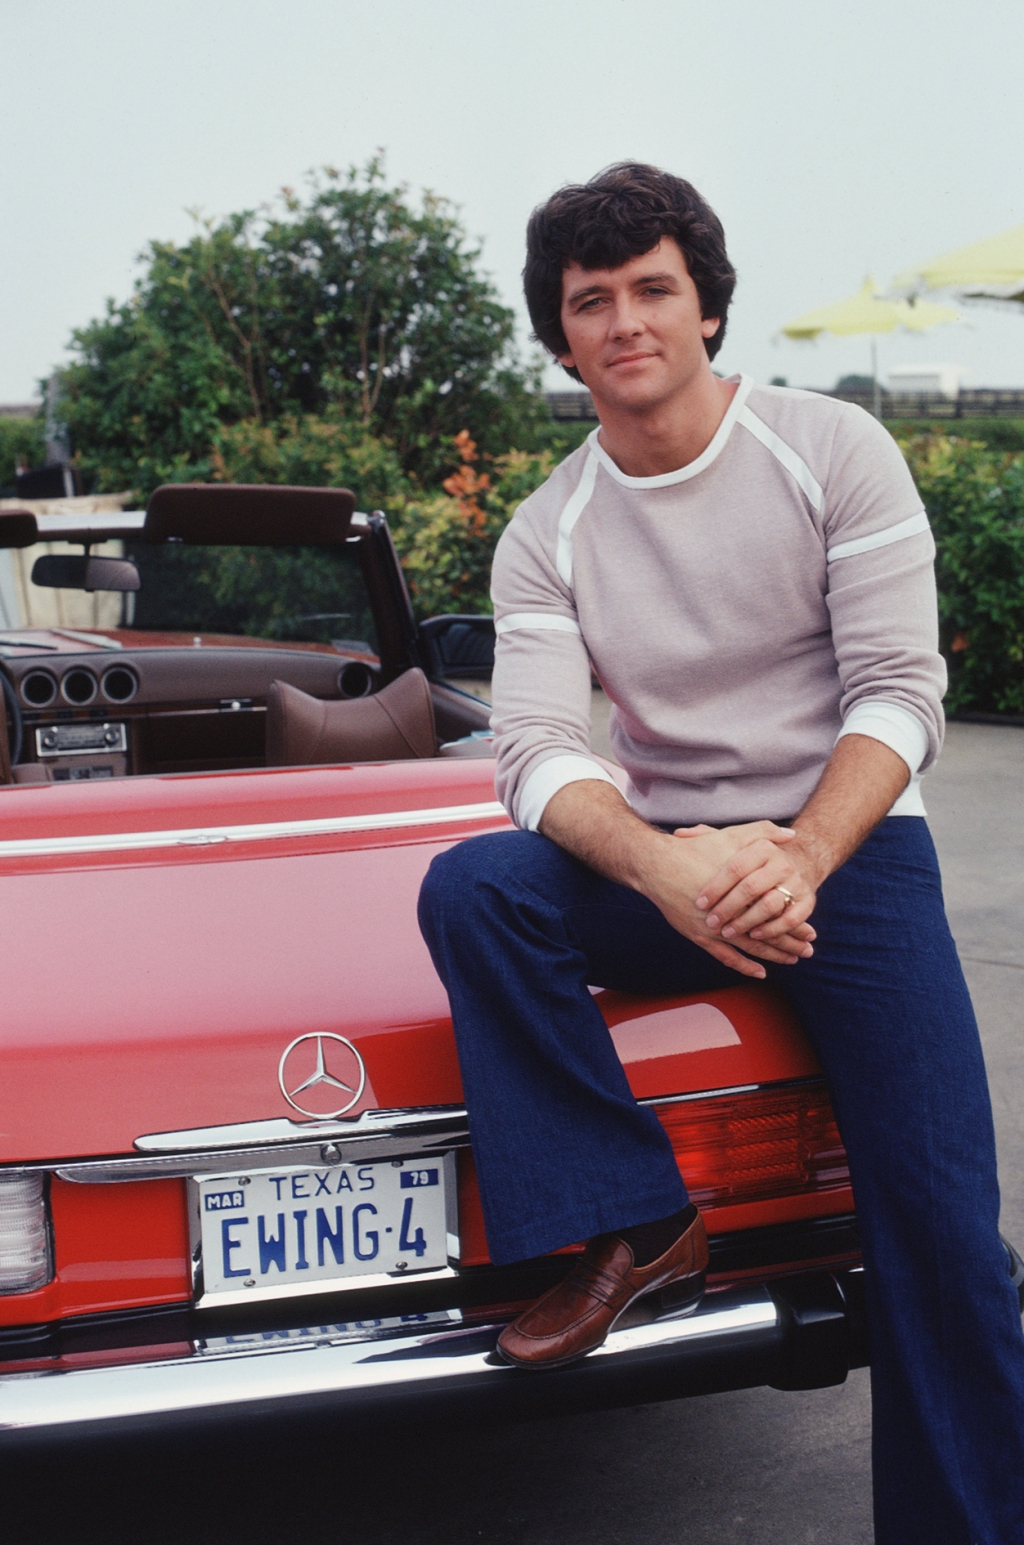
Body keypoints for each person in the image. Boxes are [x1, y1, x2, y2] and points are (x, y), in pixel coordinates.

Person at [417, 162, 1024, 1544]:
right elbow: (538, 752)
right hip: (672, 860)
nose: (625, 320)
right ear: (560, 335)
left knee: (941, 1233)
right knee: (476, 889)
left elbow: (898, 693)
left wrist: (802, 855)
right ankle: (636, 1221)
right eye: (592, 300)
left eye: (652, 289)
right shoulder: (546, 530)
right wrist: (666, 866)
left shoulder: (832, 448)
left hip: (852, 855)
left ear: (704, 309)